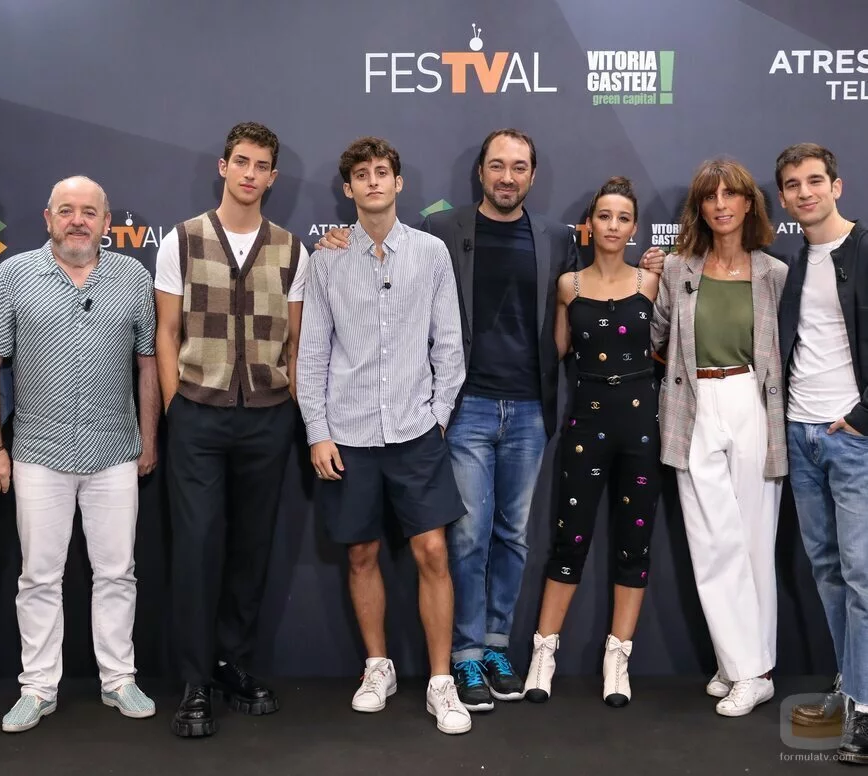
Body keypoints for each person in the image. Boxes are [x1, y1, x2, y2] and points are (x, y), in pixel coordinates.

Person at [318, 129, 666, 711]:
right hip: (466, 406)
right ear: (481, 171)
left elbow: (598, 292)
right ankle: (465, 653)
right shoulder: (441, 230)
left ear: (532, 175)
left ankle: (499, 645)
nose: (508, 177)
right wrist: (338, 239)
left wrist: (654, 261)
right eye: (498, 165)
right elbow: (382, 243)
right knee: (467, 536)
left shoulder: (557, 239)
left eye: (519, 167)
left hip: (531, 408)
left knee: (512, 536)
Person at [0, 175, 159, 733]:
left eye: (89, 212)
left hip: (115, 450)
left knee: (118, 573)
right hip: (36, 453)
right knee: (38, 577)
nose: (78, 220)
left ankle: (118, 679)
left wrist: (149, 440)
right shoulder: (13, 275)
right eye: (67, 210)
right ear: (48, 218)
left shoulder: (133, 276)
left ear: (106, 223)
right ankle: (37, 688)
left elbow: (148, 363)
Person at [297, 136, 471, 735]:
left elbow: (449, 345)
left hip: (416, 431)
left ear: (398, 182)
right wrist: (318, 432)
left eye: (382, 172)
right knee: (361, 553)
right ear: (348, 188)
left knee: (434, 553)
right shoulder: (326, 260)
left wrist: (437, 416)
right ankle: (378, 667)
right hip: (348, 434)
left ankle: (442, 681)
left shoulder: (430, 253)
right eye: (362, 175)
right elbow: (312, 353)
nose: (373, 182)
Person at [155, 122, 308, 738]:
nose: (250, 173)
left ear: (272, 177)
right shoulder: (183, 240)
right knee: (196, 547)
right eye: (241, 161)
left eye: (261, 165)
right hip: (197, 413)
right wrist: (175, 408)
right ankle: (194, 680)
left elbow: (296, 343)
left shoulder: (291, 249)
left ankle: (230, 663)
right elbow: (167, 333)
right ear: (224, 167)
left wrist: (290, 408)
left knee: (251, 546)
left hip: (268, 416)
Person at [650, 159, 787, 717]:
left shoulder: (773, 272)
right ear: (700, 207)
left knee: (754, 540)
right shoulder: (677, 267)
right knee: (711, 541)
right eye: (711, 197)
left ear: (749, 203)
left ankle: (752, 670)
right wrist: (642, 279)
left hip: (752, 401)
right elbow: (657, 335)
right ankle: (742, 666)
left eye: (732, 195)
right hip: (694, 405)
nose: (722, 205)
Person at [524, 177, 660, 707]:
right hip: (586, 423)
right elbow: (557, 349)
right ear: (589, 225)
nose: (613, 226)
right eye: (604, 216)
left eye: (623, 218)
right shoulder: (569, 286)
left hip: (641, 426)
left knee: (634, 544)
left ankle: (617, 658)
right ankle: (543, 652)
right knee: (569, 538)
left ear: (634, 227)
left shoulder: (652, 281)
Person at [776, 143, 868, 765]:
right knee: (829, 573)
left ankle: (865, 707)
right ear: (783, 198)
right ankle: (851, 687)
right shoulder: (794, 263)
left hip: (850, 438)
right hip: (800, 434)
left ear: (836, 186)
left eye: (814, 181)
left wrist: (861, 419)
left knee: (861, 576)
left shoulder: (863, 249)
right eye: (792, 184)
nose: (804, 192)